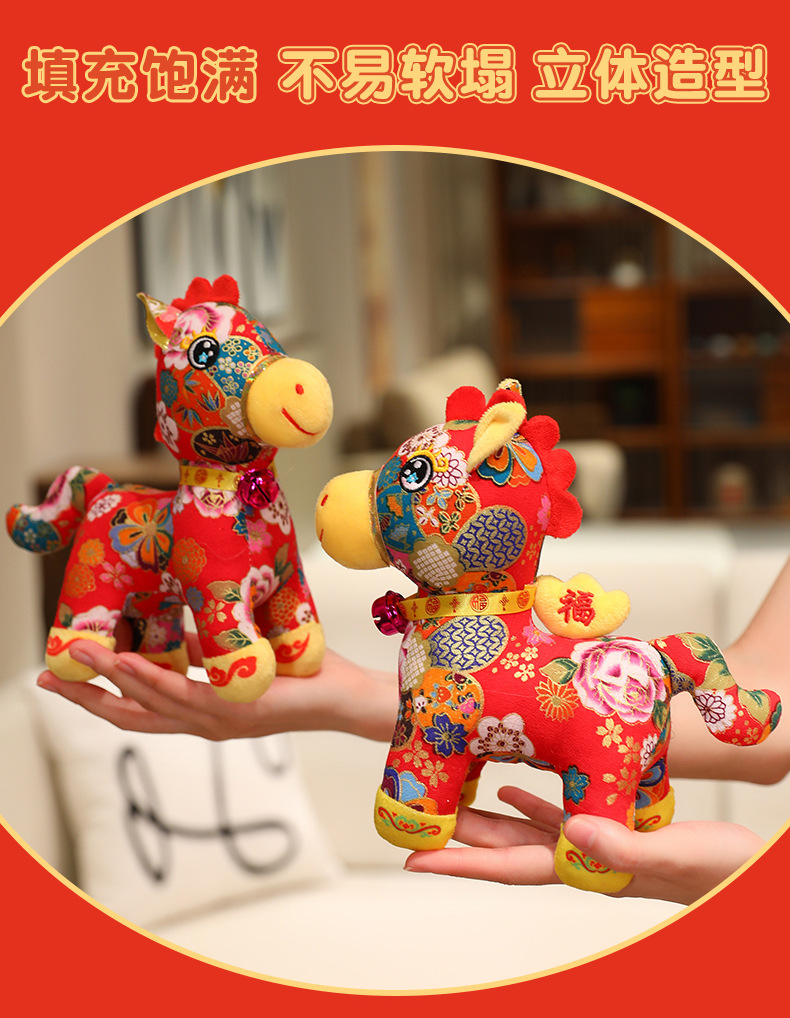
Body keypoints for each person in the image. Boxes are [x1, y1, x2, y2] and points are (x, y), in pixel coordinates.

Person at [36, 558, 790, 906]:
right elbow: (772, 722)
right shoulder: (446, 638)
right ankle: (640, 798)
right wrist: (345, 698)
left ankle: (423, 800)